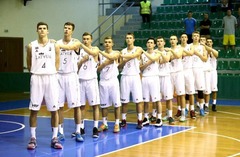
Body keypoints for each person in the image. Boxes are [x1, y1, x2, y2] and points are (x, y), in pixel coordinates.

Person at [26, 22, 62, 149]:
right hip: (36, 78)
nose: (42, 30)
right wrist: (35, 72)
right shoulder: (31, 46)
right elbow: (29, 62)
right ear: (37, 31)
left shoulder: (54, 45)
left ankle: (54, 138)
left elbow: (57, 61)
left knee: (54, 109)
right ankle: (33, 138)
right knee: (34, 109)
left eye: (44, 28)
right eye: (40, 28)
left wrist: (53, 72)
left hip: (51, 77)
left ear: (48, 31)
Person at [56, 22, 83, 142]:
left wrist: (56, 45)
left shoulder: (76, 42)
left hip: (72, 76)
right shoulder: (58, 42)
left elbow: (71, 48)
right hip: (59, 76)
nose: (66, 30)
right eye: (65, 28)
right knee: (59, 106)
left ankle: (78, 131)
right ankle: (60, 132)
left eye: (69, 28)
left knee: (76, 106)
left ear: (72, 31)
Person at [118, 32, 144, 129]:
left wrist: (123, 57)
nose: (128, 39)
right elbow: (119, 66)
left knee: (138, 100)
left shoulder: (138, 49)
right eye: (127, 38)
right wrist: (123, 61)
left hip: (135, 76)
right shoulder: (123, 51)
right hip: (125, 76)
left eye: (130, 38)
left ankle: (140, 120)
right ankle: (123, 120)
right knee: (124, 101)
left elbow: (135, 55)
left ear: (133, 40)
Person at [97, 36, 121, 133]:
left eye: (109, 42)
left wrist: (100, 52)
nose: (107, 43)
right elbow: (98, 70)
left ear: (112, 44)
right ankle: (105, 123)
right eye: (105, 42)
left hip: (113, 81)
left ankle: (117, 123)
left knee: (116, 104)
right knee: (104, 105)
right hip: (103, 81)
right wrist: (104, 64)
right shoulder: (99, 55)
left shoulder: (116, 52)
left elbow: (113, 58)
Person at [140, 37, 162, 127]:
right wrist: (146, 64)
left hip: (154, 78)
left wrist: (144, 52)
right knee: (145, 100)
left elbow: (153, 59)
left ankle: (159, 118)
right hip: (145, 78)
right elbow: (140, 68)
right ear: (146, 44)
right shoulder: (142, 56)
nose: (149, 44)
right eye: (148, 42)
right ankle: (146, 118)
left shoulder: (157, 53)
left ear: (154, 45)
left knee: (157, 100)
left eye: (151, 43)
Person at [166, 35, 186, 122]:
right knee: (169, 95)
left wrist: (171, 51)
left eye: (174, 39)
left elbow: (178, 56)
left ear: (177, 40)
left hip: (178, 73)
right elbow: (168, 59)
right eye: (171, 39)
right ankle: (168, 114)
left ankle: (183, 114)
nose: (172, 41)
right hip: (170, 73)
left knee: (181, 94)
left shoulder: (180, 48)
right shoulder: (168, 51)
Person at [156, 36, 175, 125]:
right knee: (157, 98)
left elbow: (167, 59)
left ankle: (170, 116)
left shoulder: (168, 52)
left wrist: (161, 54)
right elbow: (158, 61)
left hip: (166, 76)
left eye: (161, 41)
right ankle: (156, 115)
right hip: (157, 76)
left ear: (164, 43)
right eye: (158, 41)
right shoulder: (154, 52)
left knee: (169, 98)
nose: (159, 43)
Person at [191, 31, 208, 116]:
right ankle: (190, 109)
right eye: (194, 36)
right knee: (189, 91)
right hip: (190, 69)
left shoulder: (202, 47)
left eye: (197, 36)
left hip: (199, 69)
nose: (196, 37)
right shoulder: (189, 46)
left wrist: (198, 54)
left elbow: (205, 59)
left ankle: (201, 108)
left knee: (200, 90)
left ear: (199, 37)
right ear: (192, 37)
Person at [180, 33, 196, 119]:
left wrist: (183, 50)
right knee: (181, 93)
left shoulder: (190, 46)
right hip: (180, 71)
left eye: (185, 37)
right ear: (180, 39)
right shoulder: (178, 47)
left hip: (189, 70)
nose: (183, 38)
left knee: (190, 92)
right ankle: (181, 109)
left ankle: (192, 110)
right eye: (182, 37)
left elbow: (191, 53)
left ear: (187, 39)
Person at [204, 38, 219, 112]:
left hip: (213, 72)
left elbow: (217, 55)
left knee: (214, 89)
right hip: (206, 72)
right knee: (206, 90)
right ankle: (206, 105)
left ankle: (214, 104)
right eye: (208, 42)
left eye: (210, 42)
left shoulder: (214, 51)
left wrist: (210, 49)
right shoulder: (204, 52)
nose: (209, 43)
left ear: (212, 43)